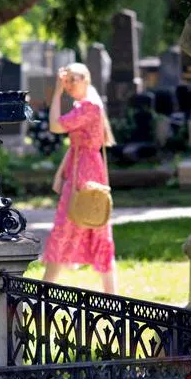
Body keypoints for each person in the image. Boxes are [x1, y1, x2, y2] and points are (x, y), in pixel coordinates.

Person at [42, 63, 118, 293]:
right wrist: (60, 174)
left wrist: (56, 92)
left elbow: (55, 126)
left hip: (87, 173)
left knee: (89, 225)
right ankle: (110, 295)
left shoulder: (89, 107)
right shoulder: (85, 106)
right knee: (79, 225)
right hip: (81, 169)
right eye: (67, 80)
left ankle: (44, 291)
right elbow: (74, 145)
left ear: (86, 79)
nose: (70, 84)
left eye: (74, 79)